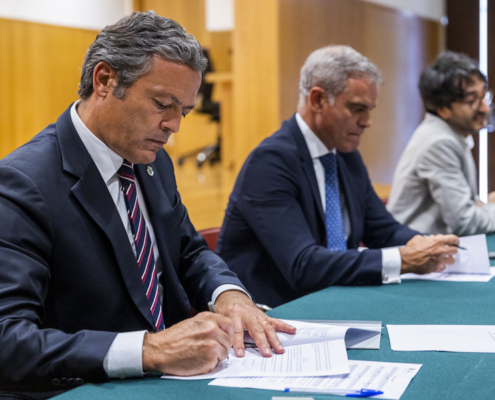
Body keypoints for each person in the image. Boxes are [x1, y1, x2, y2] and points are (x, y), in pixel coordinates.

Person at [0, 11, 295, 398]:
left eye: (184, 111)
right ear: (104, 80)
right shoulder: (23, 182)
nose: (175, 126)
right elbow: (9, 340)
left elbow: (188, 250)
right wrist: (149, 350)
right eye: (162, 104)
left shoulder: (151, 161)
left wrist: (230, 295)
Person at [216, 45, 459, 308]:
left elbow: (383, 231)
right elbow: (303, 265)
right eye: (357, 109)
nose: (367, 121)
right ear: (318, 99)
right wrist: (403, 259)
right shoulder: (270, 162)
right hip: (277, 314)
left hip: (334, 301)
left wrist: (426, 245)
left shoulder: (345, 154)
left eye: (370, 109)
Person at [387, 51, 495, 235]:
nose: (485, 107)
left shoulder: (450, 133)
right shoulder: (439, 142)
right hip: (417, 253)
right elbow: (465, 223)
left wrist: (484, 205)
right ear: (443, 109)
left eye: (484, 96)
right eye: (472, 101)